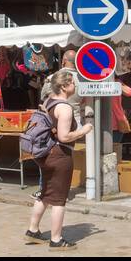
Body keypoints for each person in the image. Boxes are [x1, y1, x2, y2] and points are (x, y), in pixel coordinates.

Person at [27, 68, 92, 250]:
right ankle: (56, 239)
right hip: (59, 154)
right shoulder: (64, 108)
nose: (74, 85)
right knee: (59, 199)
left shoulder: (48, 101)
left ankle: (33, 230)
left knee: (45, 193)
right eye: (72, 82)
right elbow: (64, 137)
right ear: (64, 86)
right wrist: (83, 130)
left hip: (46, 153)